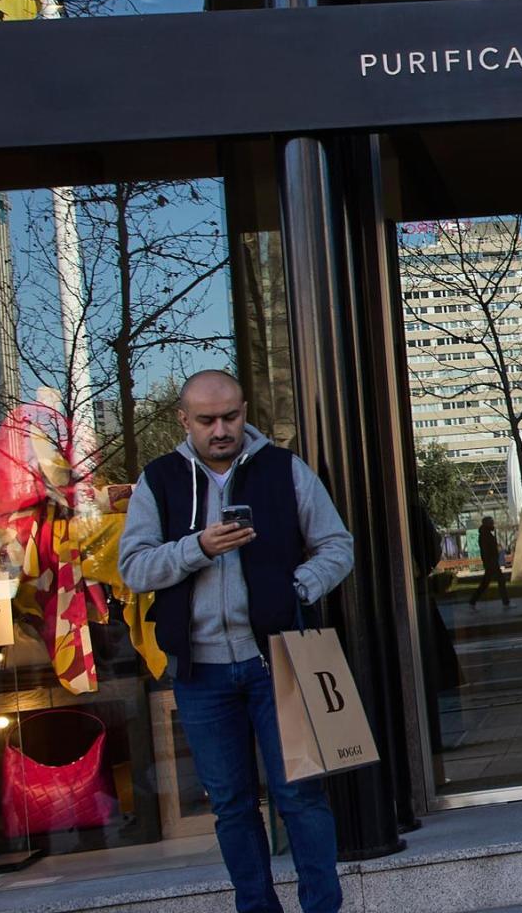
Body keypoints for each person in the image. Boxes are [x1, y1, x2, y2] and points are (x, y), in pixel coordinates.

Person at [118, 370, 353, 913]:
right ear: (184, 420)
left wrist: (294, 586)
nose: (221, 429)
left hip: (279, 661)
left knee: (301, 794)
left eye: (231, 416)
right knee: (231, 804)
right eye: (207, 420)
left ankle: (323, 908)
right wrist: (197, 547)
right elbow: (133, 567)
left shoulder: (283, 469)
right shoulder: (160, 480)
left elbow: (337, 546)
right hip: (200, 670)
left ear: (244, 410)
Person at [468, 515, 510, 609]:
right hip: (491, 563)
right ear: (487, 524)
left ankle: (472, 601)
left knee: (485, 583)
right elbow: (486, 550)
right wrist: (491, 562)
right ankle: (506, 603)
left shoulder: (486, 534)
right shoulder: (485, 535)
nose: (493, 524)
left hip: (491, 562)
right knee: (500, 581)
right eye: (491, 523)